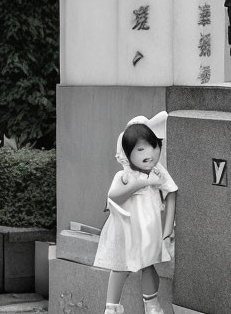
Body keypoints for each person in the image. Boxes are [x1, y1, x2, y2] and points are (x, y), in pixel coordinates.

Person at [94, 112, 177, 314]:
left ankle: (152, 305)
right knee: (121, 265)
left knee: (148, 265)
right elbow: (113, 195)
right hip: (127, 229)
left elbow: (171, 192)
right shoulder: (124, 175)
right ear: (127, 152)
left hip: (150, 230)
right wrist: (138, 184)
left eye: (153, 146)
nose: (149, 153)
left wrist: (167, 230)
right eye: (140, 149)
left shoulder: (158, 171)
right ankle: (112, 307)